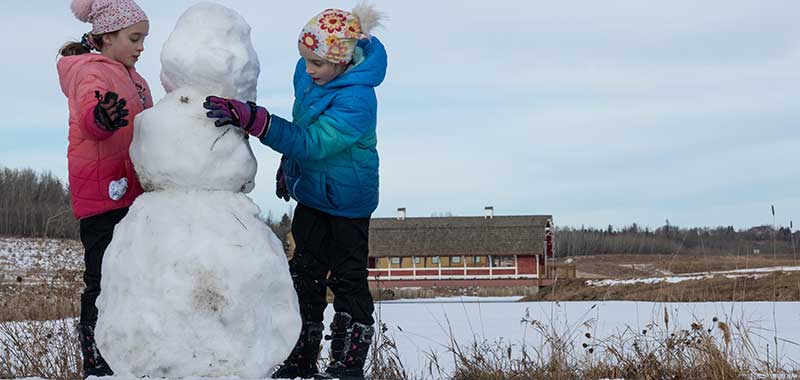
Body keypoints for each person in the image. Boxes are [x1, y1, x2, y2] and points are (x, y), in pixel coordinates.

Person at [203, 5, 386, 380]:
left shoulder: (359, 100)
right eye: (305, 60)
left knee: (348, 280)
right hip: (312, 194)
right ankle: (300, 356)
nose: (308, 69)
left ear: (343, 59)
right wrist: (289, 170)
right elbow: (303, 125)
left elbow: (314, 142)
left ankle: (346, 364)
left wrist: (257, 120)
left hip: (348, 202)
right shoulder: (310, 76)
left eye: (317, 62)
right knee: (303, 275)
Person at [57, 0, 152, 377]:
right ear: (107, 37)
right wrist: (102, 117)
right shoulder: (89, 70)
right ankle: (97, 361)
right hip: (103, 195)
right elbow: (91, 115)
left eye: (144, 38)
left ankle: (131, 353)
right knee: (103, 278)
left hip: (133, 191)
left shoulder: (135, 76)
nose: (141, 46)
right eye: (134, 38)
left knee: (133, 276)